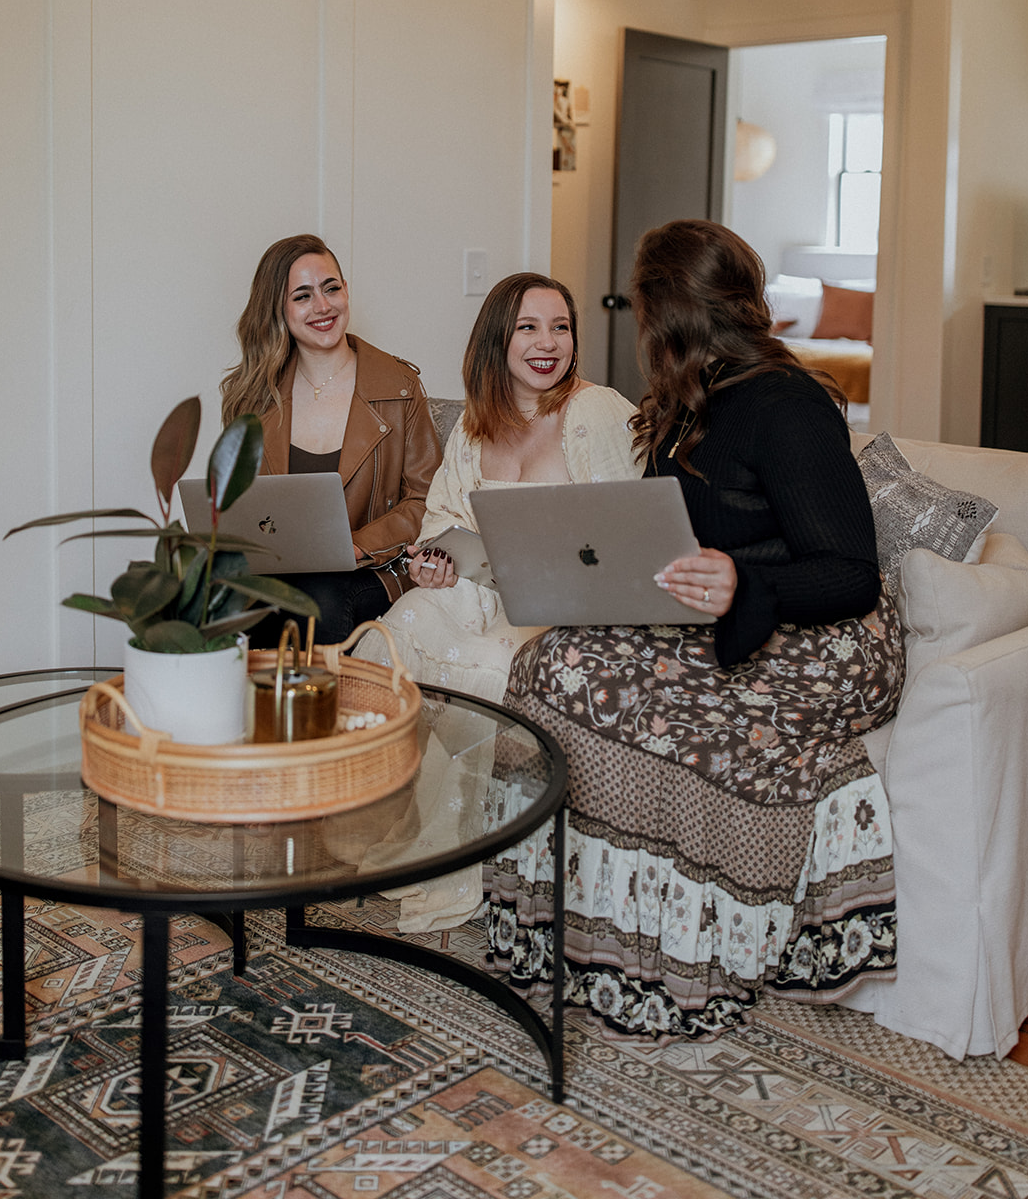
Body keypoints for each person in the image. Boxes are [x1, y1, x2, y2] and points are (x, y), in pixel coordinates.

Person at [486, 219, 905, 1038]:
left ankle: (673, 954)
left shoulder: (788, 408)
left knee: (646, 707)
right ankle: (569, 936)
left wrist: (746, 579)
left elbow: (851, 572)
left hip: (826, 636)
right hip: (717, 610)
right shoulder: (686, 403)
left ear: (666, 314)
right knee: (549, 665)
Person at [360, 271, 642, 704]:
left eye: (560, 327)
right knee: (404, 621)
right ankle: (377, 766)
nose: (548, 343)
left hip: (566, 606)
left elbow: (632, 530)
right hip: (482, 593)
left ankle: (481, 773)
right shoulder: (475, 424)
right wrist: (434, 563)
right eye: (527, 327)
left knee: (495, 660)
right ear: (496, 341)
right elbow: (444, 518)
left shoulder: (596, 410)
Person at [220, 234, 441, 645]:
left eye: (331, 288)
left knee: (315, 597)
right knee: (207, 591)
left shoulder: (400, 387)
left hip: (371, 571)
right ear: (278, 310)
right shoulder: (253, 396)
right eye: (302, 296)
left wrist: (356, 546)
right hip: (280, 569)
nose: (323, 306)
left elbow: (426, 500)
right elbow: (239, 503)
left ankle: (317, 708)